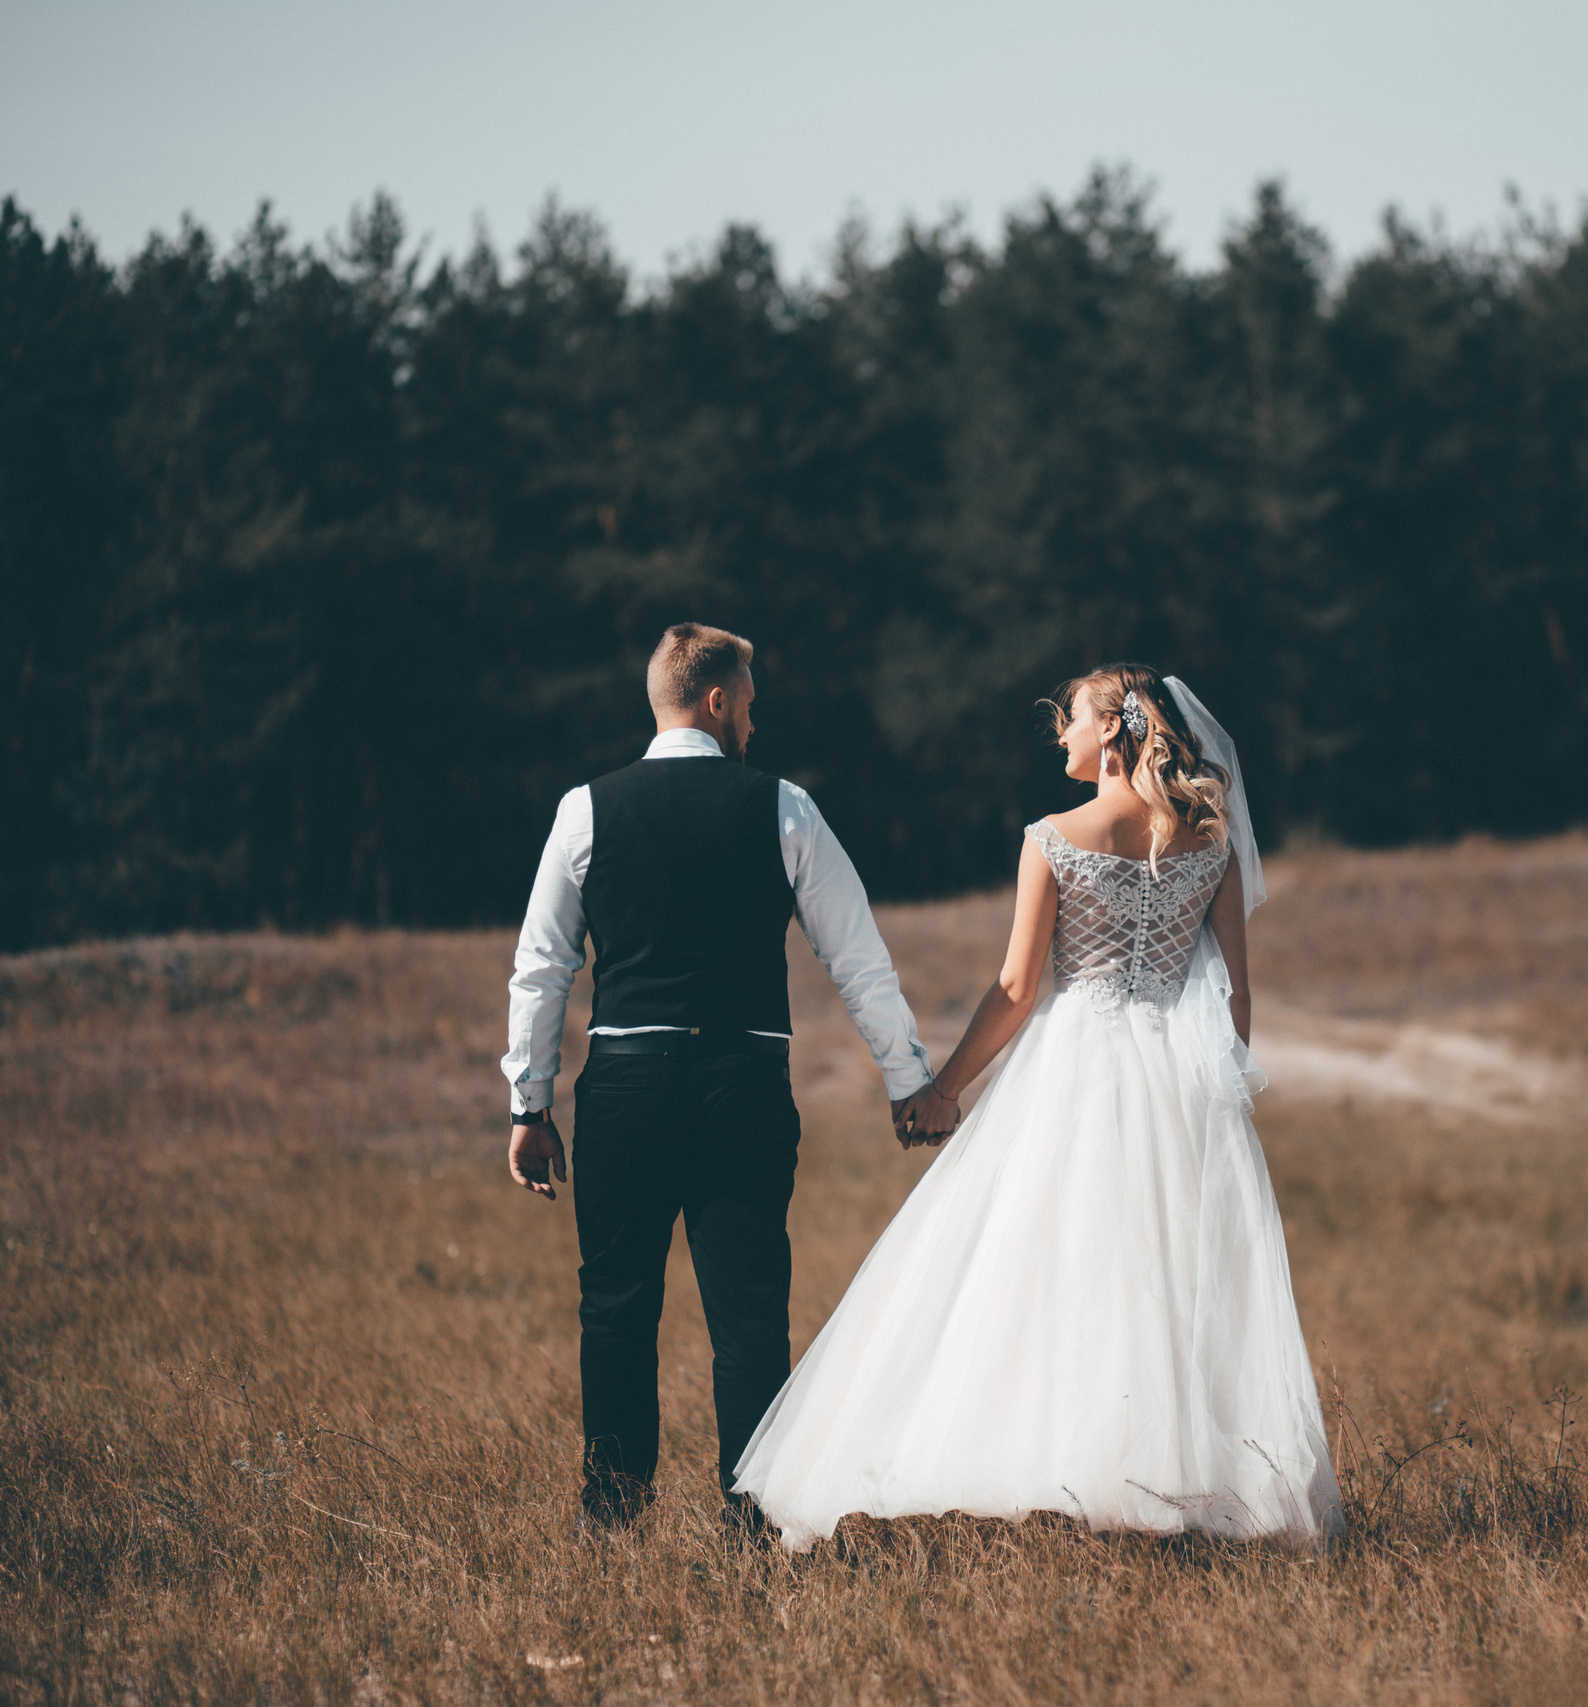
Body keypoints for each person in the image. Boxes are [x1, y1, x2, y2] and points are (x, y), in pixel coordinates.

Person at [730, 663, 1342, 1550]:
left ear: (1114, 730)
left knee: (1043, 1263)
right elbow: (1238, 999)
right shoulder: (1208, 841)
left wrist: (945, 1091)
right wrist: (1214, 1095)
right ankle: (1178, 1488)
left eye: (1071, 718)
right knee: (1167, 1277)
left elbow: (1018, 987)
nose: (1060, 732)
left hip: (1076, 1066)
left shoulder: (1053, 836)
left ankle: (1046, 1473)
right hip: (1176, 1072)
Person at [499, 622, 956, 1531]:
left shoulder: (584, 809)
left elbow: (542, 965)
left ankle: (612, 1512)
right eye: (748, 701)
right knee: (749, 1313)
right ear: (715, 701)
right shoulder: (782, 807)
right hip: (741, 1082)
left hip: (626, 1080)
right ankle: (754, 1517)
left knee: (615, 1303)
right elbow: (857, 958)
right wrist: (907, 1078)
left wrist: (529, 1100)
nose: (754, 717)